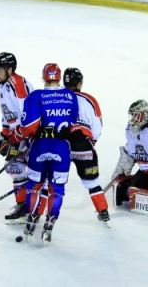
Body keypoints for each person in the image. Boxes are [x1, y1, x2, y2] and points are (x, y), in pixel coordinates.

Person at [8, 63, 78, 243]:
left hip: (40, 147)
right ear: (59, 77)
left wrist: (14, 137)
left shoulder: (36, 96)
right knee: (57, 190)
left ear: (43, 77)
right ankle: (49, 224)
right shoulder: (70, 96)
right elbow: (73, 123)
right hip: (62, 148)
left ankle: (31, 221)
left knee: (34, 186)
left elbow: (28, 127)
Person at [63, 67, 110, 224]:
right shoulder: (89, 99)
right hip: (83, 146)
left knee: (51, 181)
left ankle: (38, 214)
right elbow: (97, 127)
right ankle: (103, 212)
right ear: (80, 83)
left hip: (60, 145)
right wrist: (89, 143)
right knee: (92, 182)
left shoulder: (56, 98)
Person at [0, 52, 35, 223]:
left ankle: (33, 207)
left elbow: (29, 113)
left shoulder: (18, 83)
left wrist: (22, 135)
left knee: (33, 170)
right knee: (13, 167)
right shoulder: (1, 86)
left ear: (10, 69)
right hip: (17, 134)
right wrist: (4, 134)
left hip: (30, 135)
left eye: (0, 70)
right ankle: (23, 205)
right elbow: (6, 113)